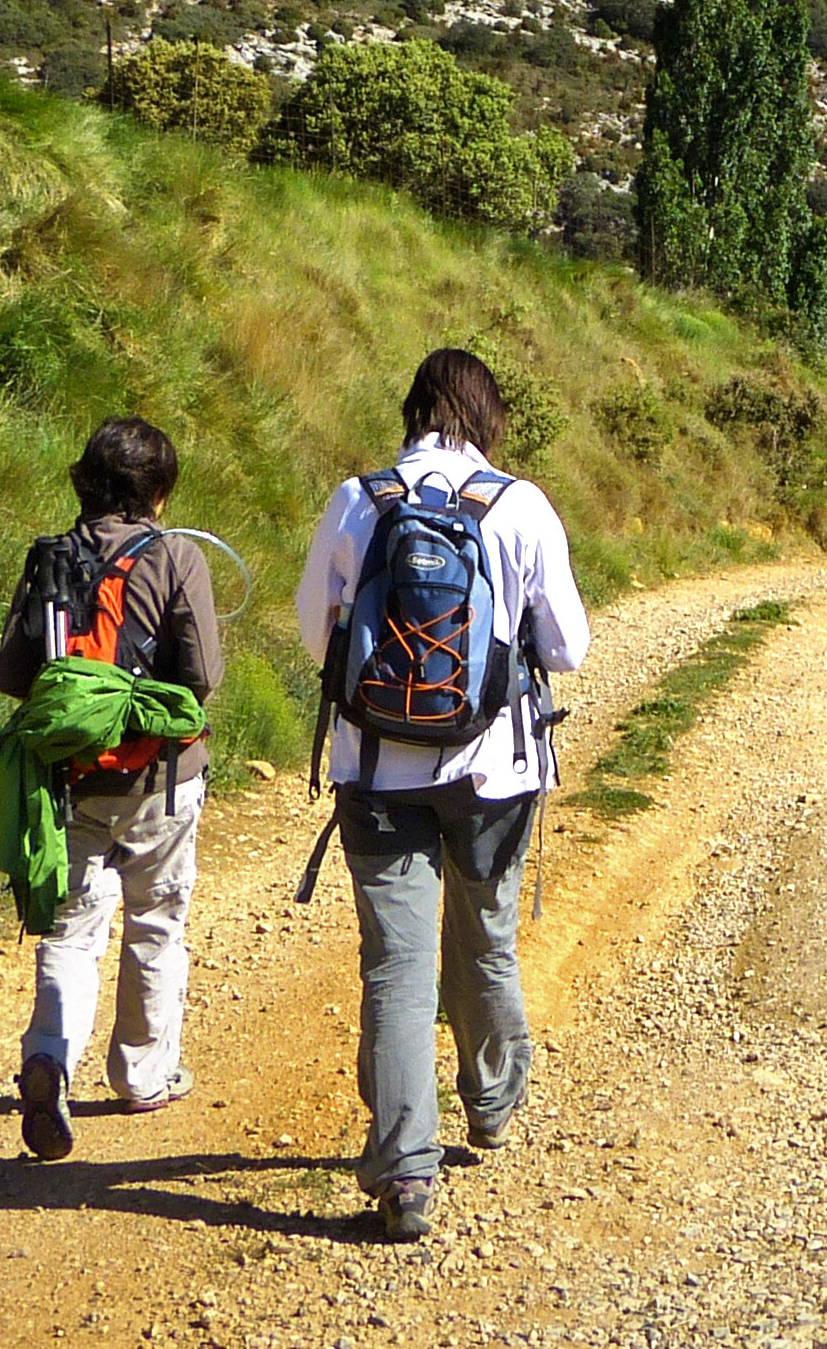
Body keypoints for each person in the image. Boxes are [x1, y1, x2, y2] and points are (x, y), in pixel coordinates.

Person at [300, 348, 590, 1241]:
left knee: (395, 965)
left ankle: (404, 1174)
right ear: (486, 414)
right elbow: (567, 647)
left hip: (378, 772)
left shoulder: (360, 500)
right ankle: (493, 1101)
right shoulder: (520, 505)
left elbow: (318, 634)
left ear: (414, 407)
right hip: (494, 773)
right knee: (487, 936)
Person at [0, 415, 222, 1162]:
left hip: (72, 781)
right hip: (161, 781)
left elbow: (10, 675)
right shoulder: (176, 557)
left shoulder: (50, 557)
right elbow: (203, 679)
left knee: (71, 928)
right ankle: (141, 1076)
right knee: (155, 922)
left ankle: (50, 1059)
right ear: (158, 491)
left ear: (85, 480)